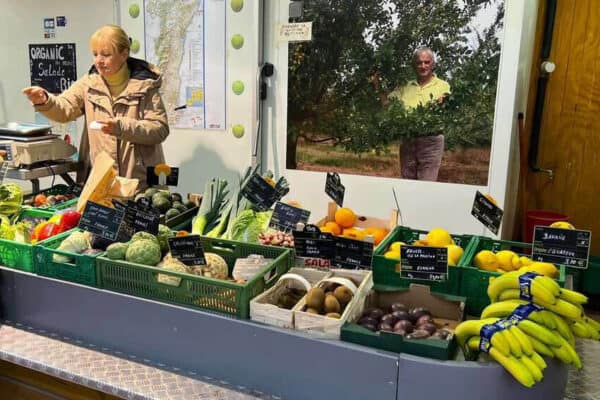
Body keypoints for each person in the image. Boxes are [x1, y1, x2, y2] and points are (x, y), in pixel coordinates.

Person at [22, 25, 169, 189]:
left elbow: (160, 129)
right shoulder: (88, 83)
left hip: (141, 182)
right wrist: (45, 101)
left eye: (106, 55)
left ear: (124, 54)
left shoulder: (146, 87)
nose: (99, 60)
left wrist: (121, 127)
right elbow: (65, 108)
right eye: (95, 54)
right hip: (101, 180)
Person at [389, 47, 450, 181]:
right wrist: (376, 86)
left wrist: (443, 101)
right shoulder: (405, 86)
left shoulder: (442, 85)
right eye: (419, 63)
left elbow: (446, 102)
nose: (423, 66)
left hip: (431, 141)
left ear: (433, 64)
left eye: (427, 62)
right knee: (407, 183)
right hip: (408, 140)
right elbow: (387, 104)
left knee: (426, 185)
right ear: (414, 65)